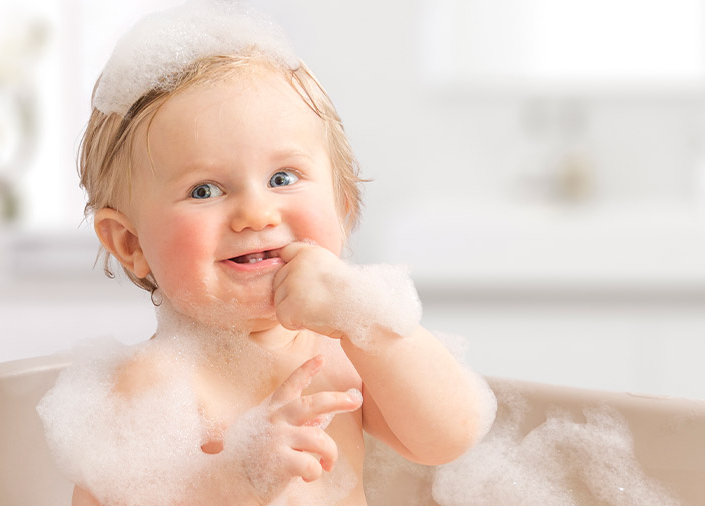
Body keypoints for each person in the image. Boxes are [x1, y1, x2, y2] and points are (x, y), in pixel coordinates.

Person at [56, 2, 495, 504]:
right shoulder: (152, 384)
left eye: (283, 179)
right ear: (131, 245)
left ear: (344, 206)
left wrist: (369, 320)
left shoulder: (339, 352)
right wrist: (237, 482)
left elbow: (447, 437)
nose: (256, 214)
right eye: (205, 190)